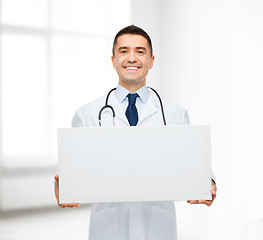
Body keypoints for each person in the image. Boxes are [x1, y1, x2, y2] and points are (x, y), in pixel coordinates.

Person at [54, 25, 217, 240]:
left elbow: (194, 162)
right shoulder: (87, 114)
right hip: (108, 227)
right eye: (124, 51)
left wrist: (209, 182)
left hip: (158, 226)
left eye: (140, 51)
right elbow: (67, 169)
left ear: (151, 61)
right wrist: (61, 183)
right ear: (113, 61)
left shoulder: (175, 114)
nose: (132, 58)